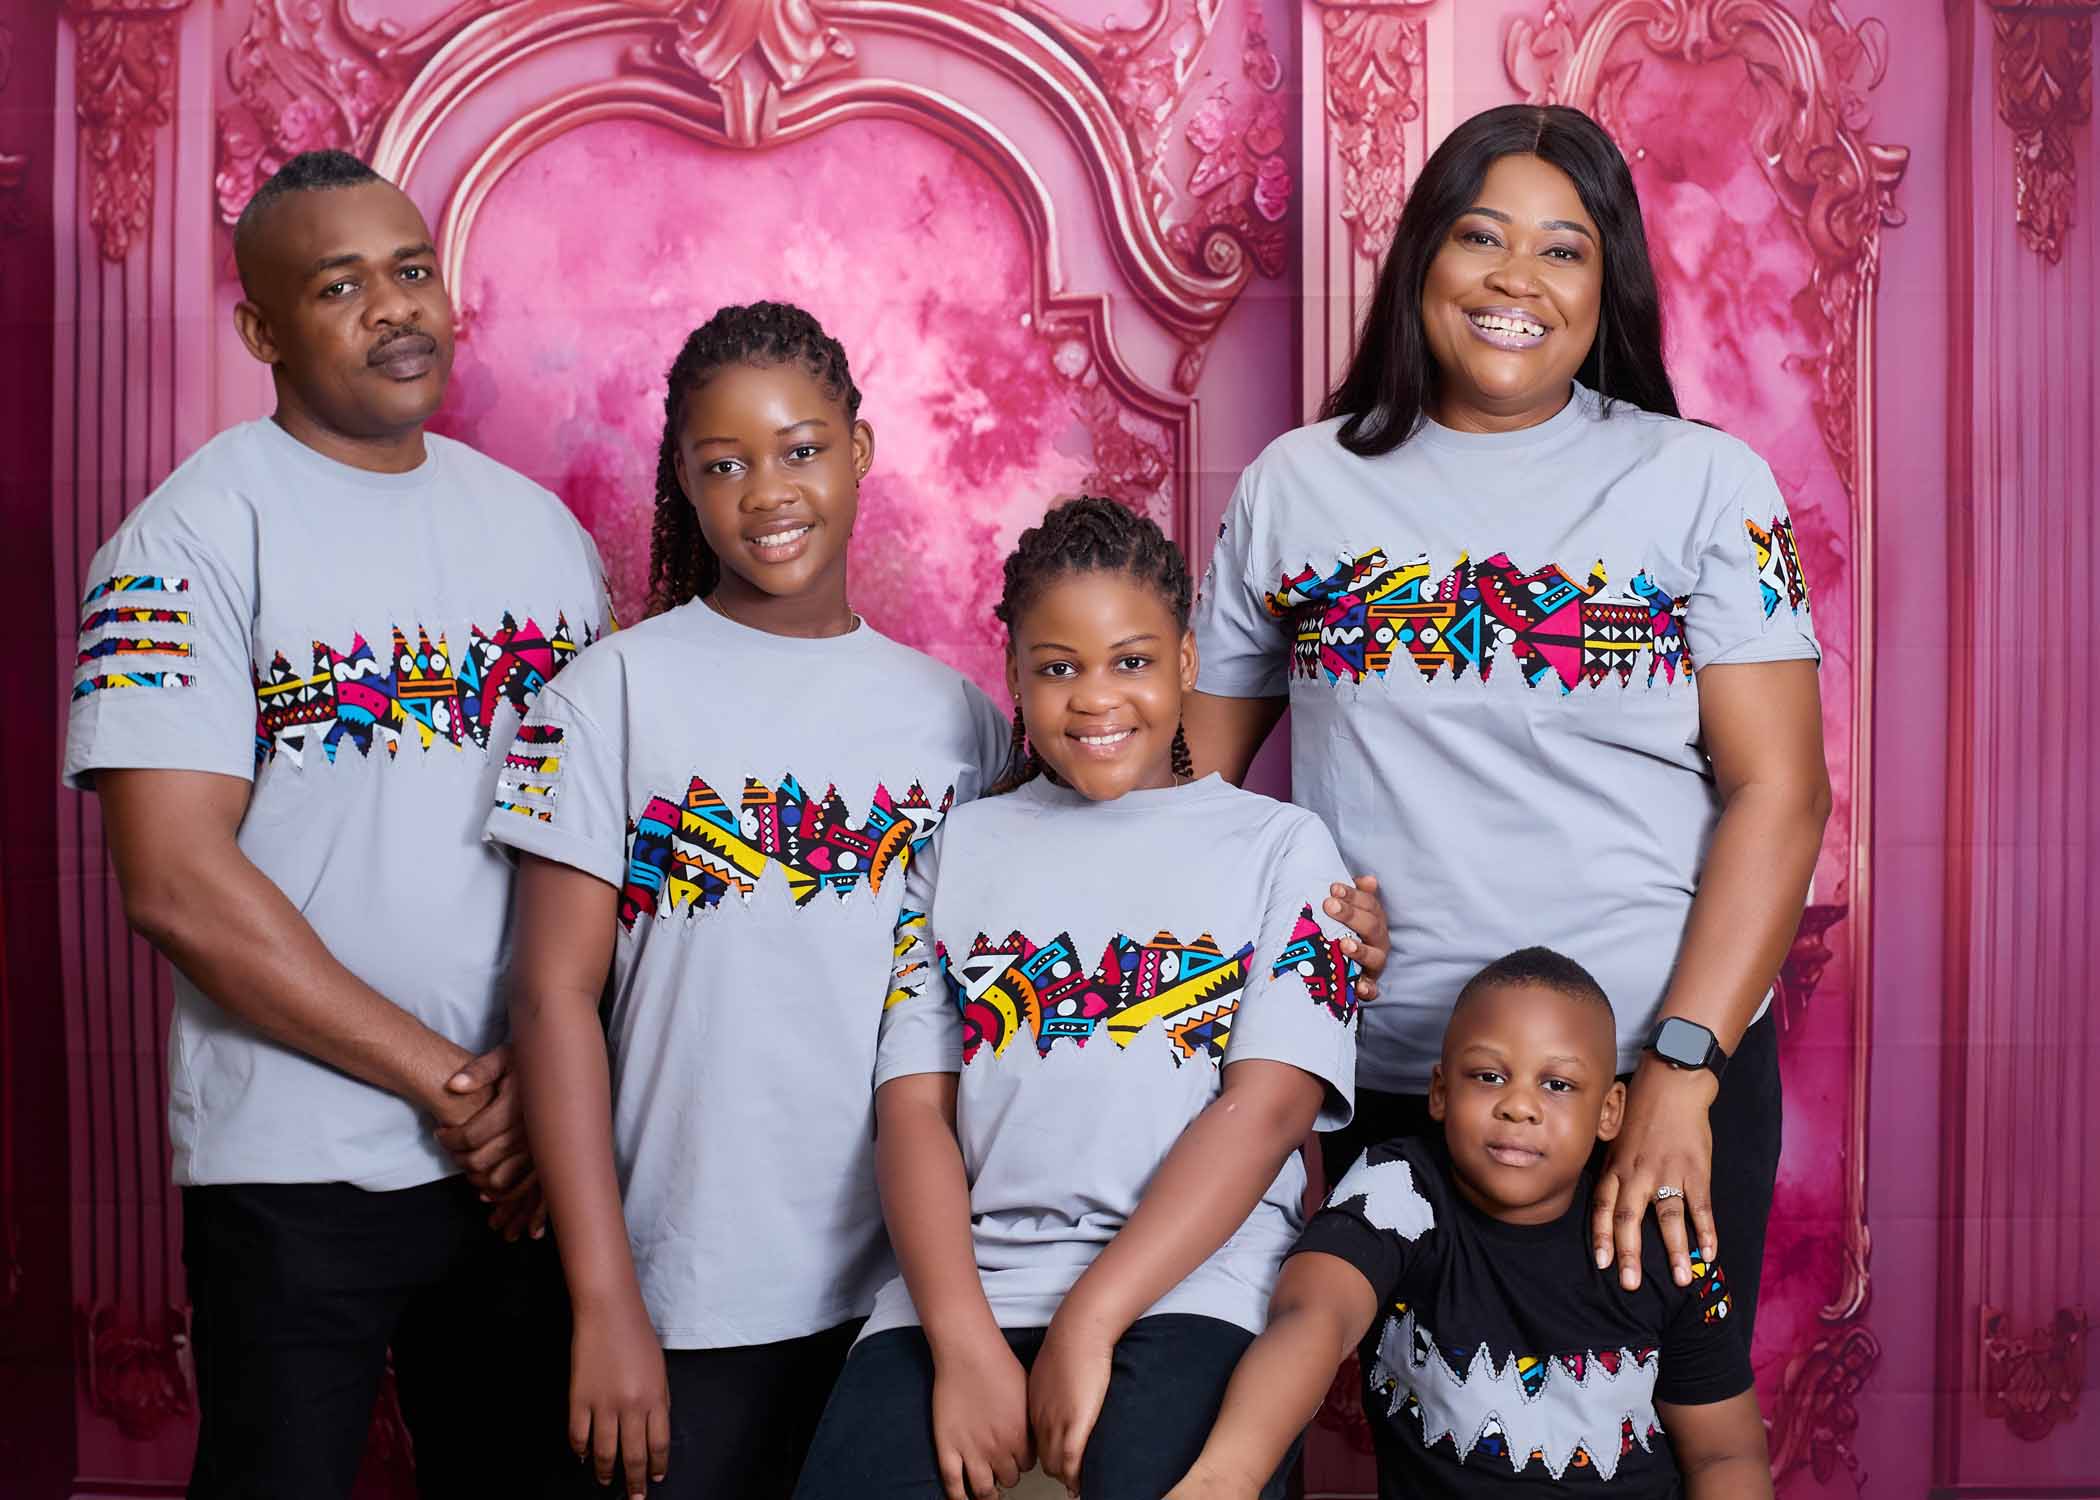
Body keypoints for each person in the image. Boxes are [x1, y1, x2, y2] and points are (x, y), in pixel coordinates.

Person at [1186, 103, 1831, 1334]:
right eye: (1482, 236)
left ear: (1607, 284)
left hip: (1653, 1078)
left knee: (1668, 1444)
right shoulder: (1296, 486)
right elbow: (1187, 808)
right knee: (1444, 1450)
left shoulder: (1702, 483)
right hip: (1406, 1089)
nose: (1516, 279)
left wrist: (1685, 1074)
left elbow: (1780, 793)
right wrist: (1290, 918)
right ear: (1424, 254)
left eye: (1564, 248)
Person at [61, 149, 608, 1497]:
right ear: (261, 330)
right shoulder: (180, 541)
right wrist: (453, 1085)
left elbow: (589, 852)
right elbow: (175, 886)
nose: (394, 309)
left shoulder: (544, 538)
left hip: (523, 1171)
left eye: (412, 270)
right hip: (296, 1169)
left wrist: (542, 1099)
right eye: (341, 285)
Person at [487, 302, 1012, 1500]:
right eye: (723, 464)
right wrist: (605, 1298)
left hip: (899, 1295)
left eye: (801, 448)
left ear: (860, 449)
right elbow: (552, 996)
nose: (767, 490)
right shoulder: (609, 695)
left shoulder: (959, 723)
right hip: (687, 1286)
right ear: (681, 475)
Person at [794, 497, 1365, 1500]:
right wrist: (965, 1345)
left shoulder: (1281, 849)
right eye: (1058, 667)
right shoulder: (959, 849)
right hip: (969, 1290)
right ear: (1013, 674)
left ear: (1187, 662)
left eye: (1132, 662)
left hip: (1197, 1292)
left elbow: (1268, 1107)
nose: (1096, 699)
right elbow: (914, 1112)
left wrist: (1094, 1318)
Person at [1166, 948, 1771, 1500]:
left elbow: (1725, 1454)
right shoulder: (1399, 1190)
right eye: (1488, 1077)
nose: (1519, 1105)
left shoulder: (1659, 1239)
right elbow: (1312, 1317)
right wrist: (1226, 1480)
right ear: (1439, 1092)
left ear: (1610, 1111)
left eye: (1557, 1085)